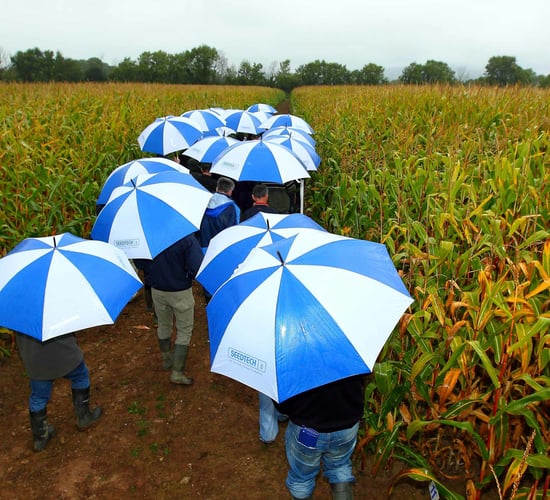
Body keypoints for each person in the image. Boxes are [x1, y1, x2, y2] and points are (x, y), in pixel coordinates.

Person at [275, 375, 366, 500]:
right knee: (340, 467)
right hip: (346, 426)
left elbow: (282, 404)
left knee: (302, 478)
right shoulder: (350, 356)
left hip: (307, 430)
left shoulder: (293, 361)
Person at [133, 233, 203, 385]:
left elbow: (139, 262)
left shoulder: (148, 235)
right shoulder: (186, 238)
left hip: (157, 289)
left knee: (164, 324)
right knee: (184, 330)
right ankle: (177, 372)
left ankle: (166, 359)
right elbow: (196, 266)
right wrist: (186, 275)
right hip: (180, 291)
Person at [16, 332, 103, 452]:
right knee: (80, 377)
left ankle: (40, 438)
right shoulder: (54, 312)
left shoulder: (15, 315)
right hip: (64, 353)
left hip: (36, 363)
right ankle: (84, 417)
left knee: (38, 397)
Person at [199, 176, 240, 252]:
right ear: (230, 191)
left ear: (217, 188)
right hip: (220, 249)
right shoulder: (233, 208)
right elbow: (234, 231)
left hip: (202, 246)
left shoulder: (203, 200)